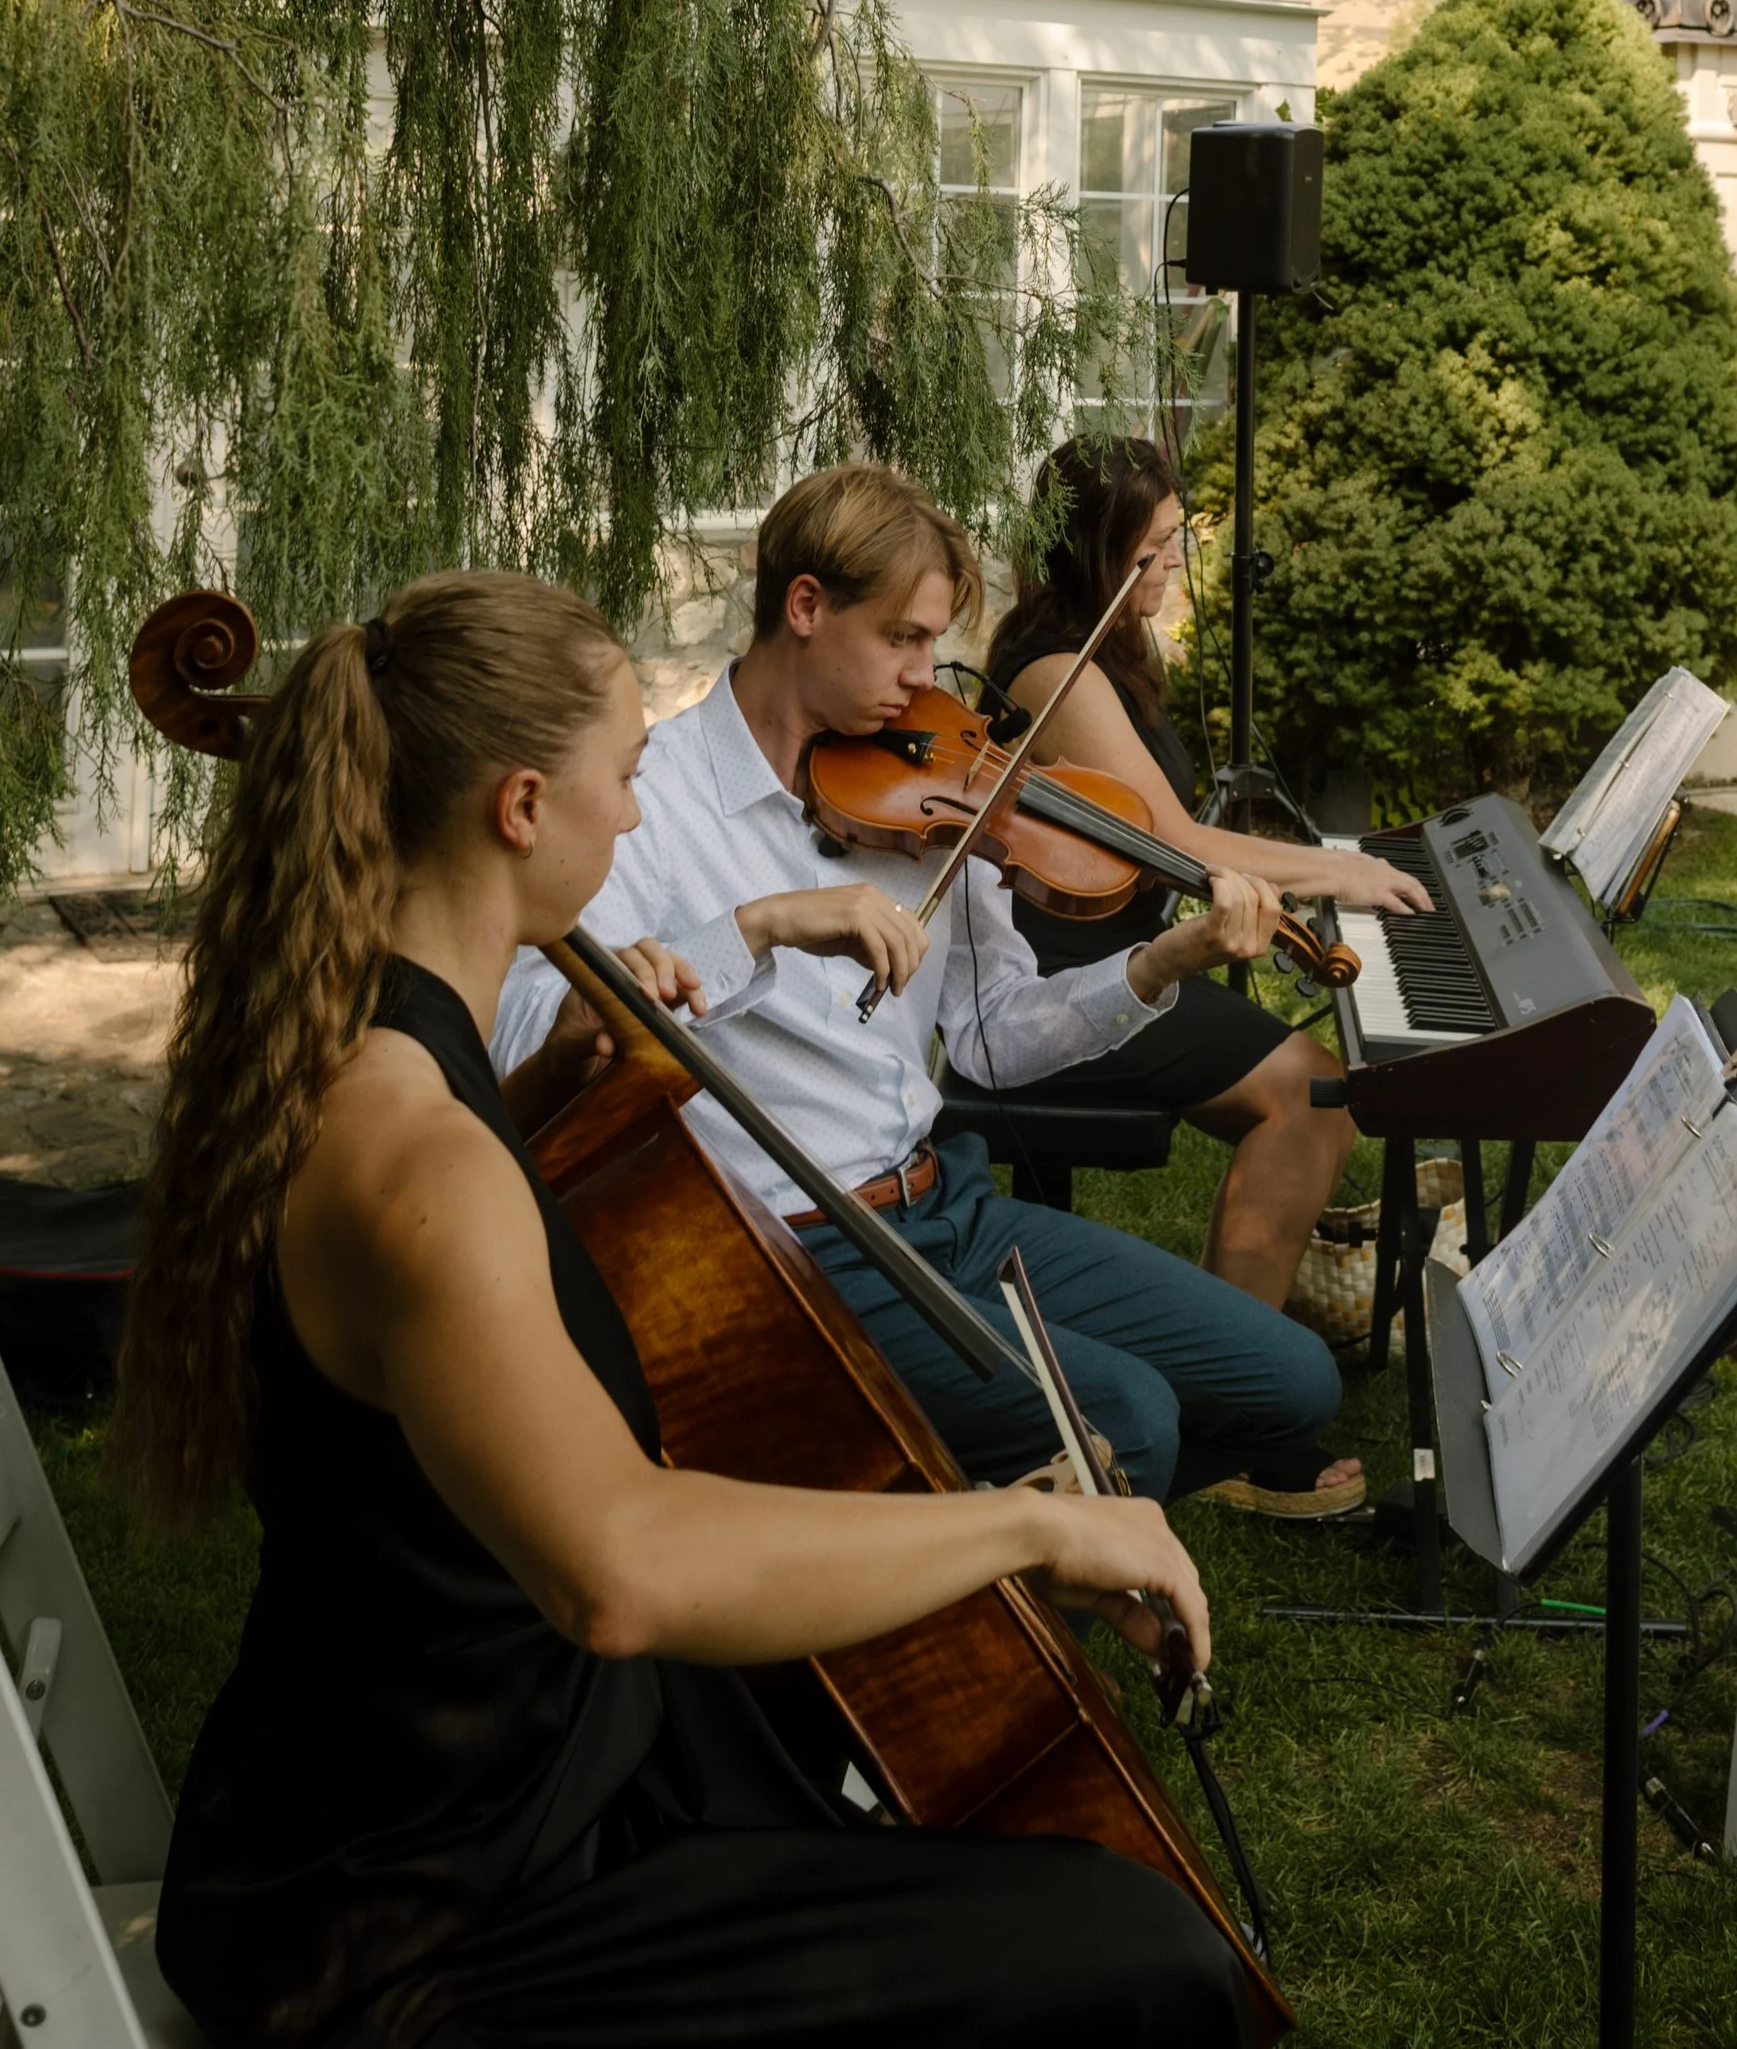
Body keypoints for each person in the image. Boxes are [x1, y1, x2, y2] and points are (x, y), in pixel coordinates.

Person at [116, 570, 1252, 2049]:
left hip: (454, 1773)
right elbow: (624, 1564)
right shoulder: (418, 1162)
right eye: (627, 778)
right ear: (521, 807)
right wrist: (1030, 1526)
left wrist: (539, 1098)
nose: (640, 819)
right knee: (1141, 1951)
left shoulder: (372, 1063)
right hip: (433, 1905)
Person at [490, 464, 1347, 1520]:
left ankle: (963, 1492)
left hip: (947, 1205)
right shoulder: (650, 802)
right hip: (797, 1245)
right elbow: (530, 1028)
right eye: (901, 639)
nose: (924, 675)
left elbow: (994, 1038)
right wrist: (754, 931)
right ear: (804, 607)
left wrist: (1166, 961)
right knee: (1129, 1416)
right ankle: (972, 1556)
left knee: (1291, 1382)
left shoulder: (928, 791)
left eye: (934, 643)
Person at [971, 438, 1434, 1484]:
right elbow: (1176, 840)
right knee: (1311, 1090)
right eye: (1159, 545)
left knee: (1313, 1085)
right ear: (1100, 550)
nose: (1177, 563)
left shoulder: (1107, 646)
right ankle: (1239, 1418)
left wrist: (1322, 873)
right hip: (1067, 976)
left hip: (1114, 947)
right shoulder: (1056, 669)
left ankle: (1239, 1342)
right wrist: (1333, 876)